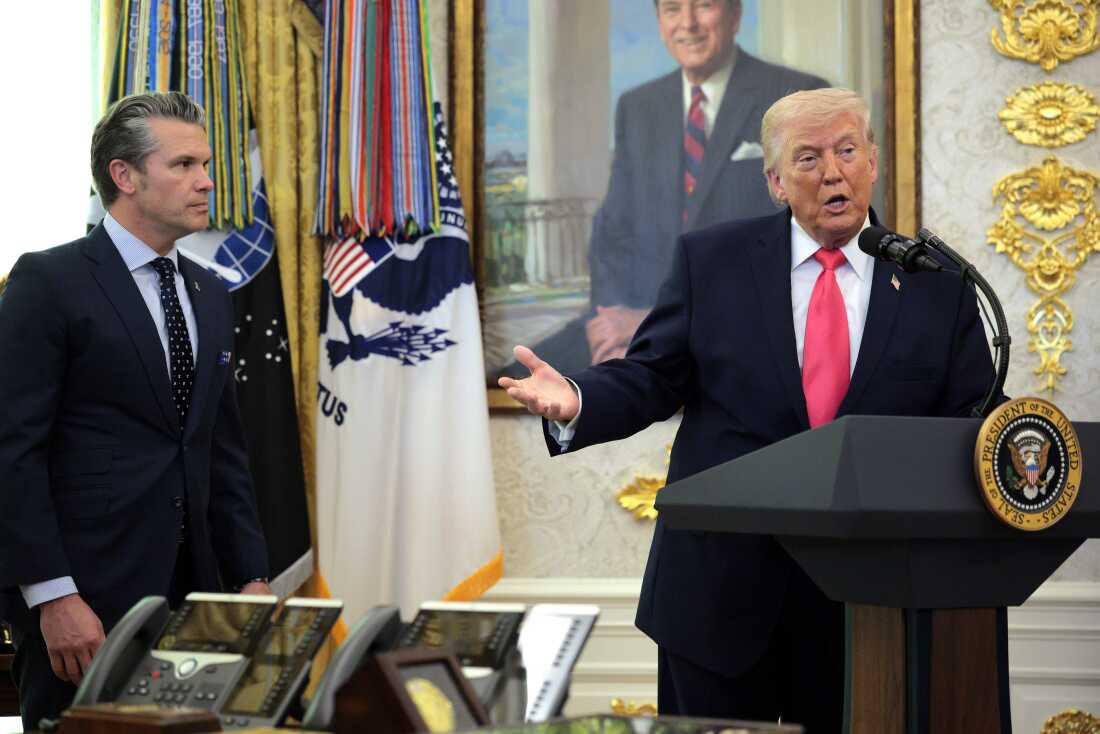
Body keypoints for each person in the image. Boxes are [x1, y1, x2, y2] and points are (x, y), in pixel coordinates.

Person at [500, 88, 997, 731]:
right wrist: (579, 398)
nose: (833, 171)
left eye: (847, 150)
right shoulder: (713, 262)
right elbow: (653, 375)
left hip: (871, 610)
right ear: (776, 182)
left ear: (872, 160)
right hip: (718, 597)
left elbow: (976, 415)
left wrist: (1021, 444)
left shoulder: (939, 284)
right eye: (808, 158)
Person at [0, 92, 272, 731]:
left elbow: (219, 450)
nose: (206, 181)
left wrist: (252, 578)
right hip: (84, 603)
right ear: (124, 176)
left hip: (195, 599)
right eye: (183, 165)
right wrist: (52, 594)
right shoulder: (48, 281)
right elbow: (11, 451)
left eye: (205, 164)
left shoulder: (210, 291)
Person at [501, 0, 826, 377]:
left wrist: (654, 320)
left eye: (704, 6)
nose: (687, 24)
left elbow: (805, 246)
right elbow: (612, 233)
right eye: (672, 9)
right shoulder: (637, 107)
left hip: (746, 327)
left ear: (734, 16)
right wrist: (610, 323)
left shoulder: (797, 95)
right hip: (637, 323)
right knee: (514, 378)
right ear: (659, 23)